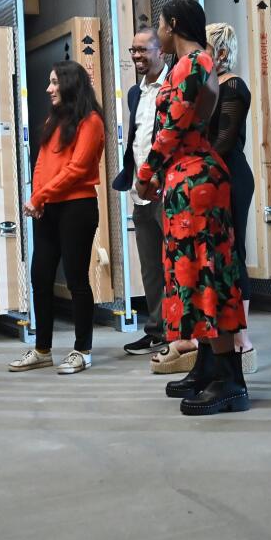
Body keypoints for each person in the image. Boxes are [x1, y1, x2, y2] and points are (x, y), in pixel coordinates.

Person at [134, 0, 248, 415]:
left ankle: (228, 380)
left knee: (204, 273)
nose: (157, 32)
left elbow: (171, 129)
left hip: (195, 177)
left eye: (160, 25)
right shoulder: (195, 63)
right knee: (192, 271)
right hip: (190, 177)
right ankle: (208, 365)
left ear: (174, 25)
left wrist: (145, 176)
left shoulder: (192, 64)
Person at [8, 61, 106, 375]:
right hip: (49, 207)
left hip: (77, 208)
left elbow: (77, 169)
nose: (49, 89)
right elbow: (41, 163)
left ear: (69, 84)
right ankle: (42, 349)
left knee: (77, 279)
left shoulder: (91, 122)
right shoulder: (54, 119)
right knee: (40, 277)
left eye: (54, 83)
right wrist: (38, 198)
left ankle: (82, 350)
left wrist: (39, 197)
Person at [112, 28, 172, 360]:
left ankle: (180, 332)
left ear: (160, 51)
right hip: (141, 190)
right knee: (150, 267)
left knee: (175, 263)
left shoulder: (173, 86)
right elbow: (138, 138)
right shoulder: (136, 92)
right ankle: (157, 330)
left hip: (166, 189)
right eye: (132, 51)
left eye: (142, 50)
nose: (136, 56)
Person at [205, 22, 257, 373]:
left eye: (207, 48)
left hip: (232, 176)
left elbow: (224, 140)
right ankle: (224, 334)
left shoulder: (233, 86)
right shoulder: (210, 86)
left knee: (235, 251)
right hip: (214, 175)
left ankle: (243, 340)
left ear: (221, 51)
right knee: (220, 253)